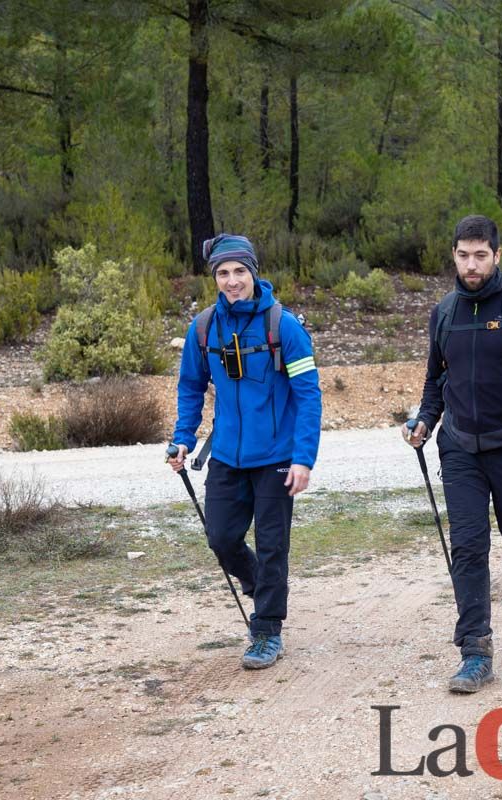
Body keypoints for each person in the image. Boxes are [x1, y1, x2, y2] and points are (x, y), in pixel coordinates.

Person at [404, 214, 502, 693]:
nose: (471, 265)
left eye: (480, 255)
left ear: (497, 255)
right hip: (459, 448)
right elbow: (437, 380)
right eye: (462, 255)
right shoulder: (445, 312)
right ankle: (476, 651)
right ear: (453, 255)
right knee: (468, 547)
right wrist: (423, 421)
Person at [168, 233, 322, 670]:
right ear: (214, 277)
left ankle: (267, 629)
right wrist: (184, 438)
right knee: (221, 538)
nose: (232, 281)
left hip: (276, 458)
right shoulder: (203, 329)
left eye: (239, 272)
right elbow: (191, 388)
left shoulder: (283, 326)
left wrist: (303, 458)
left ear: (253, 272)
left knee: (273, 546)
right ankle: (261, 585)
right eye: (223, 273)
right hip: (227, 458)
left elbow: (308, 396)